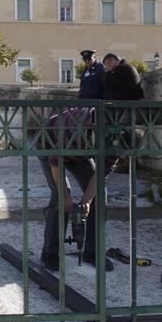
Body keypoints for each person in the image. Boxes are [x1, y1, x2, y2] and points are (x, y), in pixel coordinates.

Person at [39, 107, 119, 272]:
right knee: (59, 197)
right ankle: (50, 253)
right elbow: (55, 161)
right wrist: (65, 196)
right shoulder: (78, 128)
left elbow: (101, 172)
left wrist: (87, 201)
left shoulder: (118, 140)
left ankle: (92, 251)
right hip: (50, 144)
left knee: (99, 193)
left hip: (80, 152)